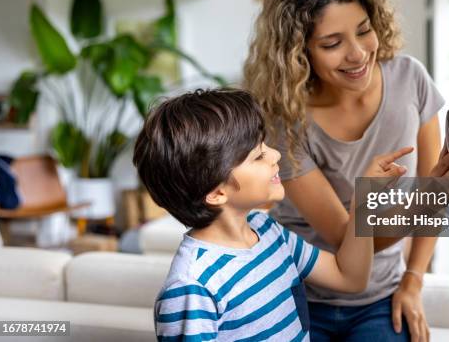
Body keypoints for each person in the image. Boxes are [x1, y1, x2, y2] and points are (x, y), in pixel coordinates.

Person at [244, 0, 449, 341]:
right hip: (296, 292)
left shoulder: (410, 79)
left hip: (379, 296)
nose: (358, 53)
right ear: (300, 52)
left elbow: (435, 188)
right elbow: (348, 241)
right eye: (332, 43)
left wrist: (413, 281)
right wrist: (424, 201)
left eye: (364, 31)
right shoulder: (285, 117)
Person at [133, 88, 409, 341]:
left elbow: (350, 278)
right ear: (217, 193)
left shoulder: (267, 230)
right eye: (258, 156)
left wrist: (366, 201)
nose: (275, 155)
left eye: (265, 146)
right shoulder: (192, 286)